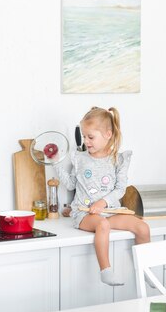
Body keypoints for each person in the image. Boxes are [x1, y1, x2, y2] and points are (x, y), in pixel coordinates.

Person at [57, 106, 150, 286]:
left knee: (143, 228)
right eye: (84, 136)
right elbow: (70, 184)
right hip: (84, 215)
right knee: (102, 224)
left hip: (111, 211)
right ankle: (105, 270)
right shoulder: (80, 158)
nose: (86, 141)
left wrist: (102, 202)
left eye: (90, 137)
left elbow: (120, 188)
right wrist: (55, 163)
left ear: (108, 134)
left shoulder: (119, 159)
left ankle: (146, 269)